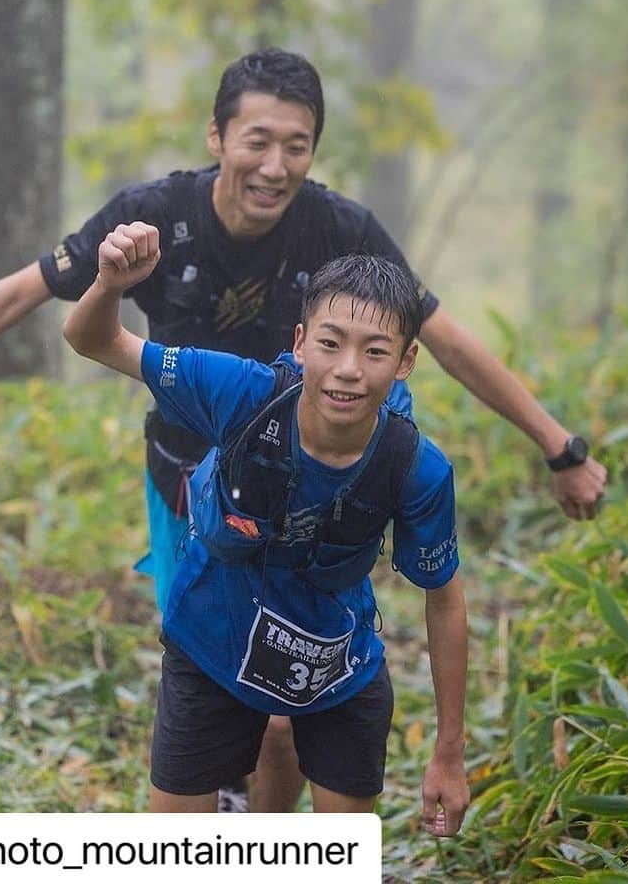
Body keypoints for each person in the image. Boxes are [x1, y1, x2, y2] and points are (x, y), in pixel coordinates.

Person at [0, 48, 605, 811]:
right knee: (213, 663)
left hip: (309, 488)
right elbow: (25, 295)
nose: (275, 166)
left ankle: (262, 832)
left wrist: (557, 443)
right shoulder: (156, 218)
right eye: (258, 141)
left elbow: (440, 338)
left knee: (281, 718)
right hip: (187, 481)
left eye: (296, 146)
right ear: (217, 138)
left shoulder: (339, 229)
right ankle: (215, 805)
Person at [63, 236, 469, 826]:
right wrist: (109, 285)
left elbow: (446, 602)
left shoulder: (416, 467)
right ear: (300, 344)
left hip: (337, 666)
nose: (349, 371)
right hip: (210, 643)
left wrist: (449, 754)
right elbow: (92, 339)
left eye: (375, 352)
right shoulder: (240, 391)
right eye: (330, 344)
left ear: (406, 362)